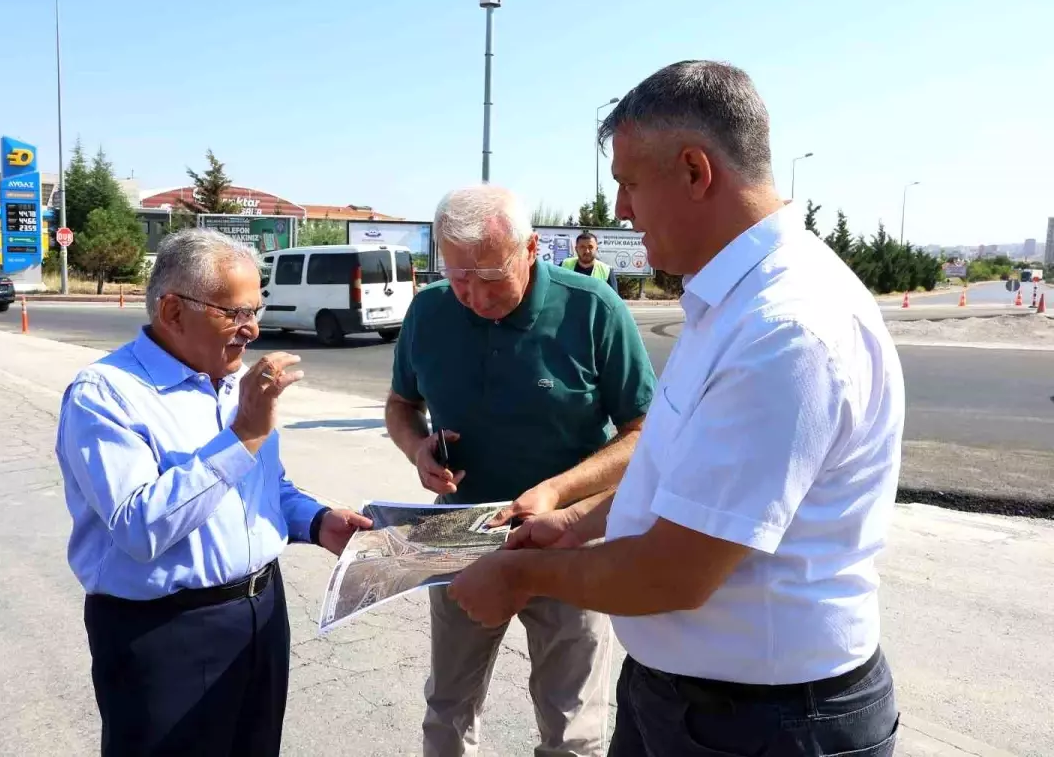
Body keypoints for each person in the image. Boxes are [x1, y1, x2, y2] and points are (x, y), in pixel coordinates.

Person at [448, 60, 904, 756]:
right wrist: (574, 521)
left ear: (696, 171)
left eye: (628, 183)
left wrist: (519, 575)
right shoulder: (730, 301)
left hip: (766, 723)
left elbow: (676, 570)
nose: (621, 210)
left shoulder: (787, 329)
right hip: (692, 699)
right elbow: (676, 471)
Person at [55, 228, 372, 756]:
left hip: (259, 615)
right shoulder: (106, 396)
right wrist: (243, 435)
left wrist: (318, 522)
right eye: (235, 313)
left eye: (257, 309)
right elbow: (139, 528)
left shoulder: (232, 383)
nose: (252, 330)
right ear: (174, 312)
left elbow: (267, 489)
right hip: (164, 632)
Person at [385, 184, 657, 757]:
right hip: (461, 536)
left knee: (572, 724)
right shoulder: (430, 310)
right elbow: (400, 405)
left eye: (488, 277)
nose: (472, 296)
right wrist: (417, 450)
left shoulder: (593, 309)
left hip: (568, 540)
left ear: (531, 248)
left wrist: (558, 492)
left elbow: (645, 435)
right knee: (448, 707)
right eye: (458, 277)